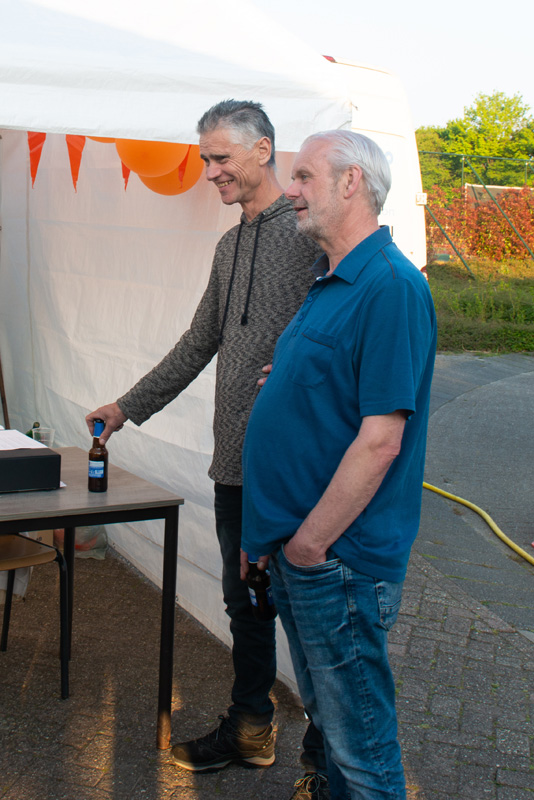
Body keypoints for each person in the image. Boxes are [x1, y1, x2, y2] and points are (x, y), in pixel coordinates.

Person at [85, 100, 328, 797]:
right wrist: (127, 407)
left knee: (308, 610)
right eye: (205, 159)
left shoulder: (310, 234)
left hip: (297, 466)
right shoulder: (228, 247)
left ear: (263, 150)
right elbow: (199, 342)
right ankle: (251, 728)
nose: (211, 171)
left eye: (222, 157)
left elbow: (343, 331)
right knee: (244, 603)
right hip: (235, 464)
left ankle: (327, 755)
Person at [241, 130, 437, 800]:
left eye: (303, 176)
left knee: (362, 754)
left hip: (336, 560)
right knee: (333, 733)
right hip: (304, 554)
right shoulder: (330, 278)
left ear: (352, 182)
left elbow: (381, 440)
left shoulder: (390, 287)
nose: (291, 190)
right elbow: (338, 393)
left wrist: (309, 545)